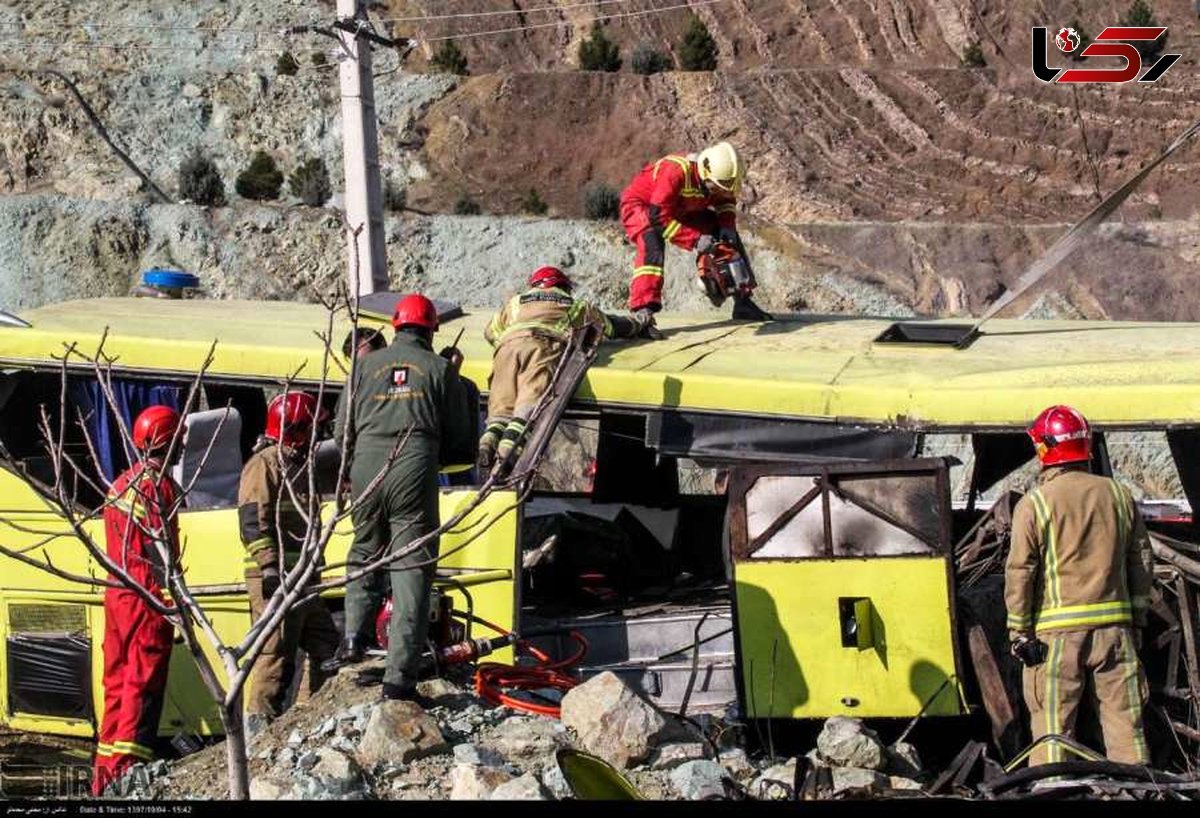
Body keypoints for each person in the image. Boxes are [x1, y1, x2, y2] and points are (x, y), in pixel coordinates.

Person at [324, 294, 477, 699]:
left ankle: (353, 637)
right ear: (432, 330)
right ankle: (399, 677)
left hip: (366, 466)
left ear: (394, 326)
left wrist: (360, 462)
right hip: (413, 462)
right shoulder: (441, 369)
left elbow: (341, 433)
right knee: (411, 569)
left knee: (364, 550)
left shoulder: (362, 368)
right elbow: (461, 446)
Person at [1005, 404, 1155, 766]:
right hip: (1115, 632)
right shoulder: (1120, 496)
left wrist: (1019, 632)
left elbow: (1020, 571)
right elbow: (1142, 561)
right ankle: (1139, 787)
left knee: (1054, 727)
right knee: (1126, 727)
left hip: (1056, 639)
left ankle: (1054, 787)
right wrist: (1137, 619)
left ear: (1044, 448)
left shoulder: (1035, 504)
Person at [238, 392, 340, 733]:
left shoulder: (301, 465)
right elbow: (253, 521)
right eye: (314, 426)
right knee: (274, 655)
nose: (319, 433)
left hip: (305, 577)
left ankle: (310, 718)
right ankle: (258, 732)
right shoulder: (264, 464)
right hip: (277, 576)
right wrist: (268, 566)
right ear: (296, 429)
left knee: (328, 649)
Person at [93, 405, 182, 796]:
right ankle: (128, 775)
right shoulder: (157, 487)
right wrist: (172, 603)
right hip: (146, 597)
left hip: (117, 594)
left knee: (115, 683)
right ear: (170, 442)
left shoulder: (120, 483)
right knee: (140, 685)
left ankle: (104, 776)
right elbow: (161, 554)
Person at [478, 266, 638, 474]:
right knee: (527, 412)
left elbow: (490, 332)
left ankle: (487, 444)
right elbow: (611, 327)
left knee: (500, 413)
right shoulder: (575, 305)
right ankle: (504, 465)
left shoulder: (516, 302)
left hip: (506, 348)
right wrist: (640, 322)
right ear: (563, 286)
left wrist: (511, 345)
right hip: (542, 348)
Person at [619, 141, 771, 339]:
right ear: (705, 174)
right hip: (643, 207)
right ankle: (643, 314)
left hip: (679, 209)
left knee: (723, 232)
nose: (721, 191)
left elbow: (725, 200)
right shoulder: (676, 172)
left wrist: (727, 226)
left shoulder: (716, 179)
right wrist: (695, 240)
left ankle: (742, 300)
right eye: (718, 187)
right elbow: (658, 217)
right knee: (652, 244)